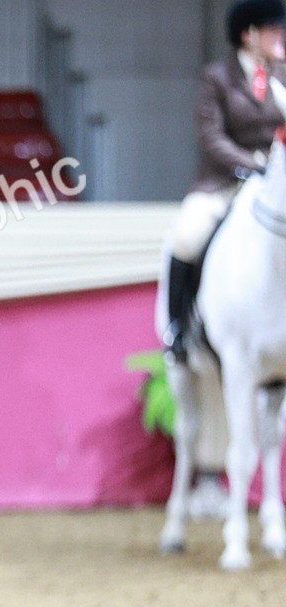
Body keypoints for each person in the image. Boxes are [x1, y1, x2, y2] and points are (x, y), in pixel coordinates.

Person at [165, 0, 286, 358]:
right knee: (187, 236)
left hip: (276, 184)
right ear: (249, 35)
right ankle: (179, 329)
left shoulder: (284, 75)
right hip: (226, 180)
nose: (282, 35)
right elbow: (211, 136)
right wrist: (252, 163)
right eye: (274, 29)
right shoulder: (217, 77)